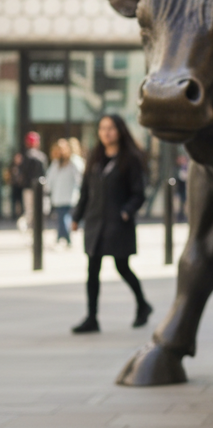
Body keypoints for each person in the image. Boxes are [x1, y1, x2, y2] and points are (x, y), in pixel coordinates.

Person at [71, 114, 153, 334]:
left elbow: (139, 193)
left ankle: (143, 305)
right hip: (96, 222)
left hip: (118, 223)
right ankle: (91, 317)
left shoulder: (130, 159)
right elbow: (85, 191)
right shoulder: (95, 158)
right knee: (93, 269)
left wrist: (126, 211)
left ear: (120, 131)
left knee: (122, 267)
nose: (106, 132)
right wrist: (77, 216)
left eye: (111, 128)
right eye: (102, 128)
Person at [46, 139, 82, 246]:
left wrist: (78, 191)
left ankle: (63, 238)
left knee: (64, 217)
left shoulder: (74, 162)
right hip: (57, 196)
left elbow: (79, 179)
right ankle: (62, 237)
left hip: (69, 196)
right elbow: (49, 179)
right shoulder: (55, 163)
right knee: (61, 218)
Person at [17, 132, 48, 232]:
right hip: (37, 189)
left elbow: (21, 174)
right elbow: (44, 173)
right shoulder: (40, 156)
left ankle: (30, 229)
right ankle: (32, 230)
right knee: (36, 212)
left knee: (30, 212)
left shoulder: (25, 157)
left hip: (28, 188)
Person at [9, 152, 25, 219]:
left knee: (21, 201)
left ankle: (21, 215)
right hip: (14, 186)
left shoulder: (23, 166)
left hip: (21, 186)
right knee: (14, 201)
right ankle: (14, 215)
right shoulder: (12, 166)